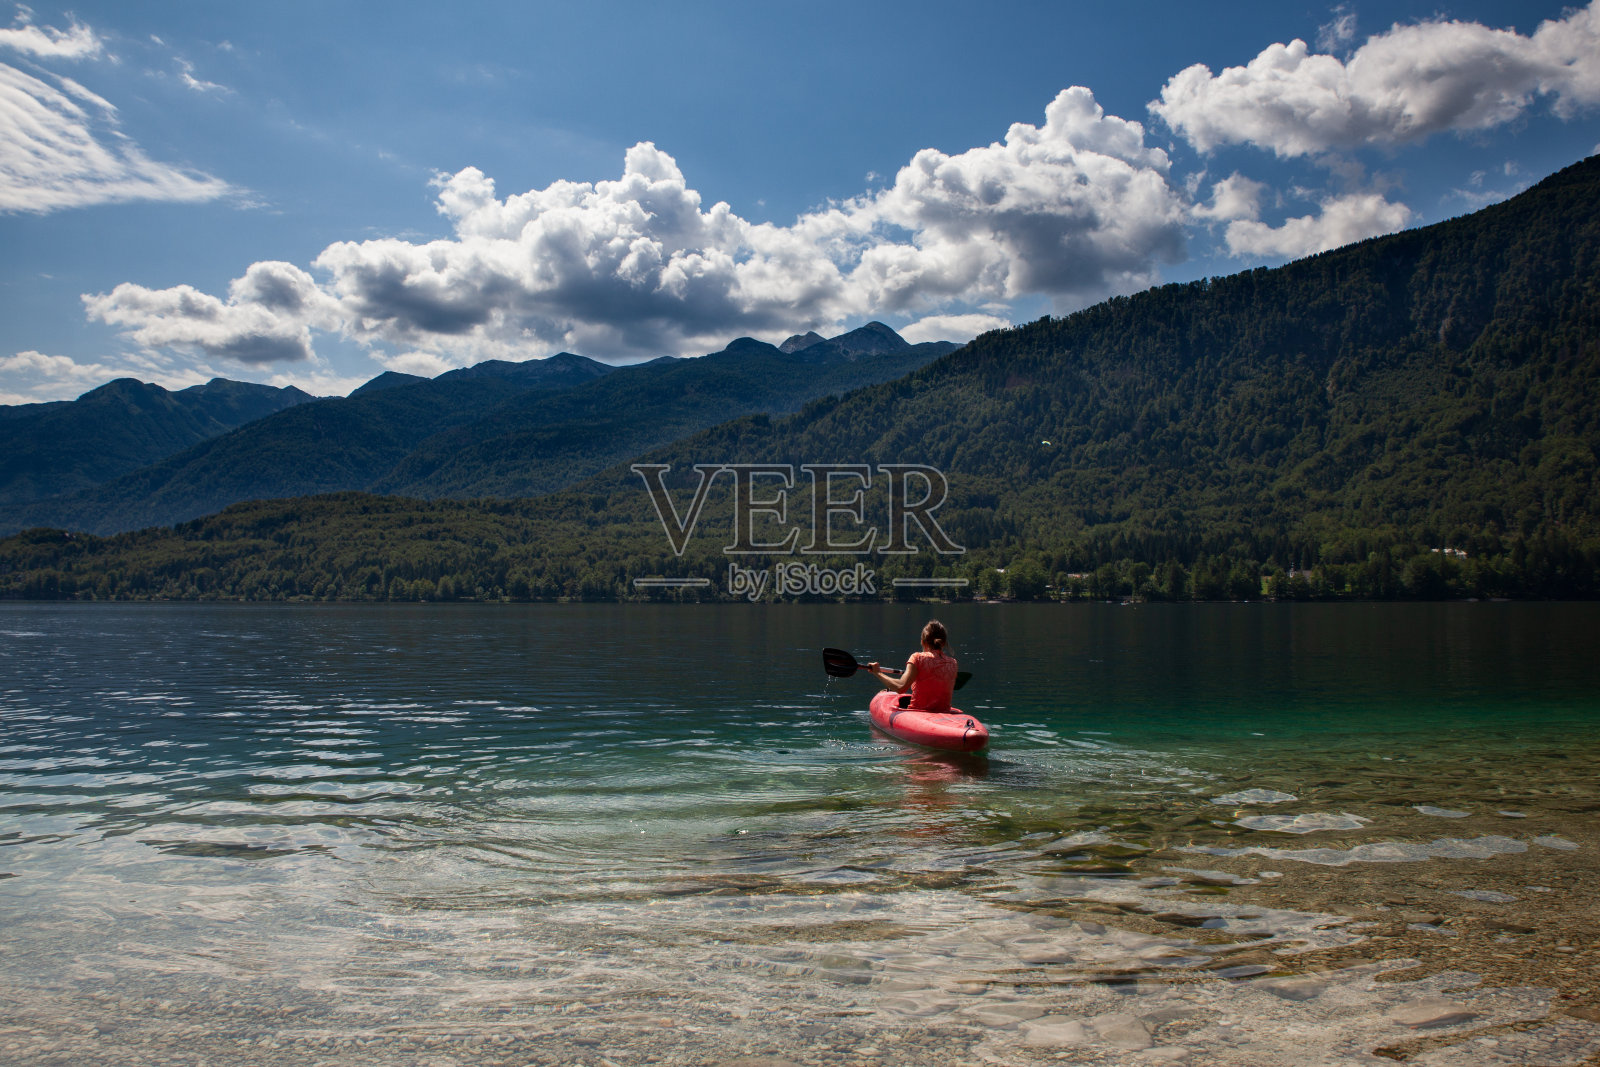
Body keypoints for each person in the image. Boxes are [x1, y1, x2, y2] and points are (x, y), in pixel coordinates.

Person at [869, 619, 958, 712]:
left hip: (918, 712)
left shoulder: (918, 658)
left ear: (923, 642)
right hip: (944, 712)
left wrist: (878, 673)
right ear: (943, 643)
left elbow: (900, 687)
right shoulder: (953, 663)